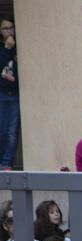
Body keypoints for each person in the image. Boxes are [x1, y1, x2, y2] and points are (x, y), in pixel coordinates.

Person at [0, 17, 16, 171]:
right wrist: (6, 49)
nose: (9, 31)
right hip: (2, 93)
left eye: (11, 28)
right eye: (5, 28)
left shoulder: (18, 47)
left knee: (12, 131)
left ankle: (7, 163)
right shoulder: (3, 47)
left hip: (14, 94)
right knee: (2, 130)